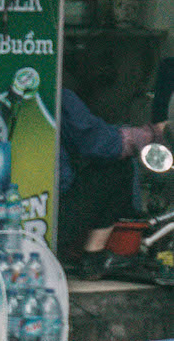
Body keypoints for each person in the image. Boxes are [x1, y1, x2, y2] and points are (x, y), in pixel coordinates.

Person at [59, 87, 165, 276]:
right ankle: (94, 254)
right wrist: (151, 133)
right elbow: (99, 143)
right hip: (54, 216)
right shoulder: (54, 94)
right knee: (118, 165)